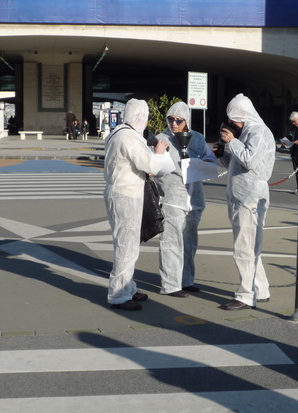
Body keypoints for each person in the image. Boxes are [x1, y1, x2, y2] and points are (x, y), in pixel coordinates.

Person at [103, 98, 169, 311]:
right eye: (146, 118)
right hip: (126, 195)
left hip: (119, 192)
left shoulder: (117, 133)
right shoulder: (129, 137)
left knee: (125, 243)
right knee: (127, 246)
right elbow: (149, 165)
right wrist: (159, 152)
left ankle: (128, 287)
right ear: (140, 118)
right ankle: (119, 295)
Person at [213, 94, 275, 310]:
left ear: (244, 115)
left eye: (234, 119)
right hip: (242, 196)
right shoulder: (249, 132)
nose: (232, 124)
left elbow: (249, 160)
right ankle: (261, 288)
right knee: (251, 247)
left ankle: (245, 295)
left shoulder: (258, 132)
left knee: (244, 248)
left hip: (250, 197)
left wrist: (232, 142)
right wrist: (222, 153)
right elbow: (236, 164)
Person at [155, 102, 216, 298]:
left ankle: (186, 280)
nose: (174, 123)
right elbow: (153, 166)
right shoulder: (161, 139)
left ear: (186, 121)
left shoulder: (197, 138)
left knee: (189, 242)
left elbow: (210, 161)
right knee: (171, 241)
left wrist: (204, 162)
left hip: (194, 198)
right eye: (170, 119)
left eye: (178, 120)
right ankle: (170, 284)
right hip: (172, 196)